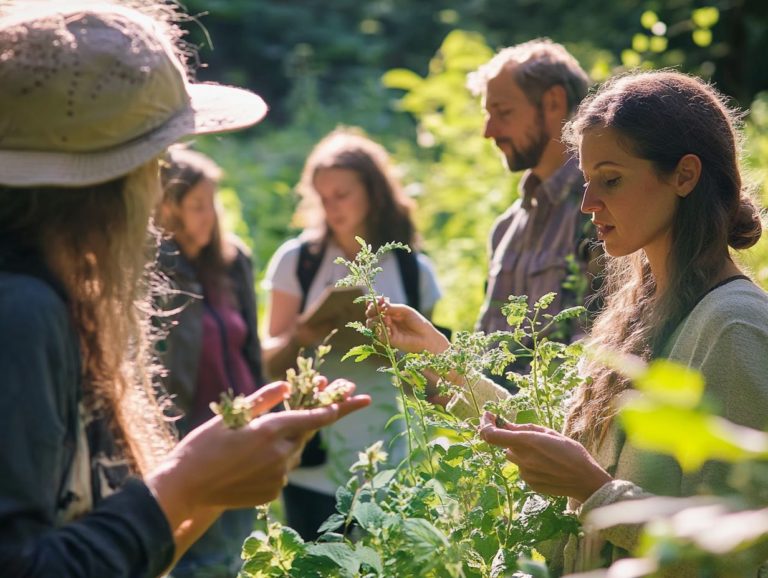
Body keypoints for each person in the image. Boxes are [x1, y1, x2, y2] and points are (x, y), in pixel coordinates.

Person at [0, 3, 370, 577]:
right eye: (157, 162)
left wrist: (214, 480)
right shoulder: (19, 312)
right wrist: (185, 479)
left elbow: (102, 551)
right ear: (101, 186)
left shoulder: (50, 298)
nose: (158, 190)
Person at [370, 70, 768, 575]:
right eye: (586, 181)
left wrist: (596, 492)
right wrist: (446, 363)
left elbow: (742, 550)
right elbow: (565, 450)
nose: (588, 203)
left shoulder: (737, 326)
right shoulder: (639, 309)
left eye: (612, 179)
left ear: (685, 175)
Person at [262, 127, 442, 539]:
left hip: (390, 462)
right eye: (323, 198)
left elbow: (431, 381)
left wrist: (394, 347)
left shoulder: (414, 270)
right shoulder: (297, 262)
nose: (331, 208)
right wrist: (302, 335)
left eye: (341, 195)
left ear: (373, 192)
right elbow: (269, 364)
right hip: (312, 462)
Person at [156, 147, 265, 577]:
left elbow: (250, 349)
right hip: (188, 440)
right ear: (167, 208)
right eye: (195, 206)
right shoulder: (155, 270)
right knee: (196, 561)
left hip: (242, 435)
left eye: (211, 204)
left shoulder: (233, 261)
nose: (208, 216)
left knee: (236, 556)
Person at [467, 39, 598, 375]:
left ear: (553, 102)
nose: (488, 131)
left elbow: (610, 349)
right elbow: (486, 353)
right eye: (487, 114)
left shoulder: (602, 211)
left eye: (504, 113)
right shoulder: (506, 228)